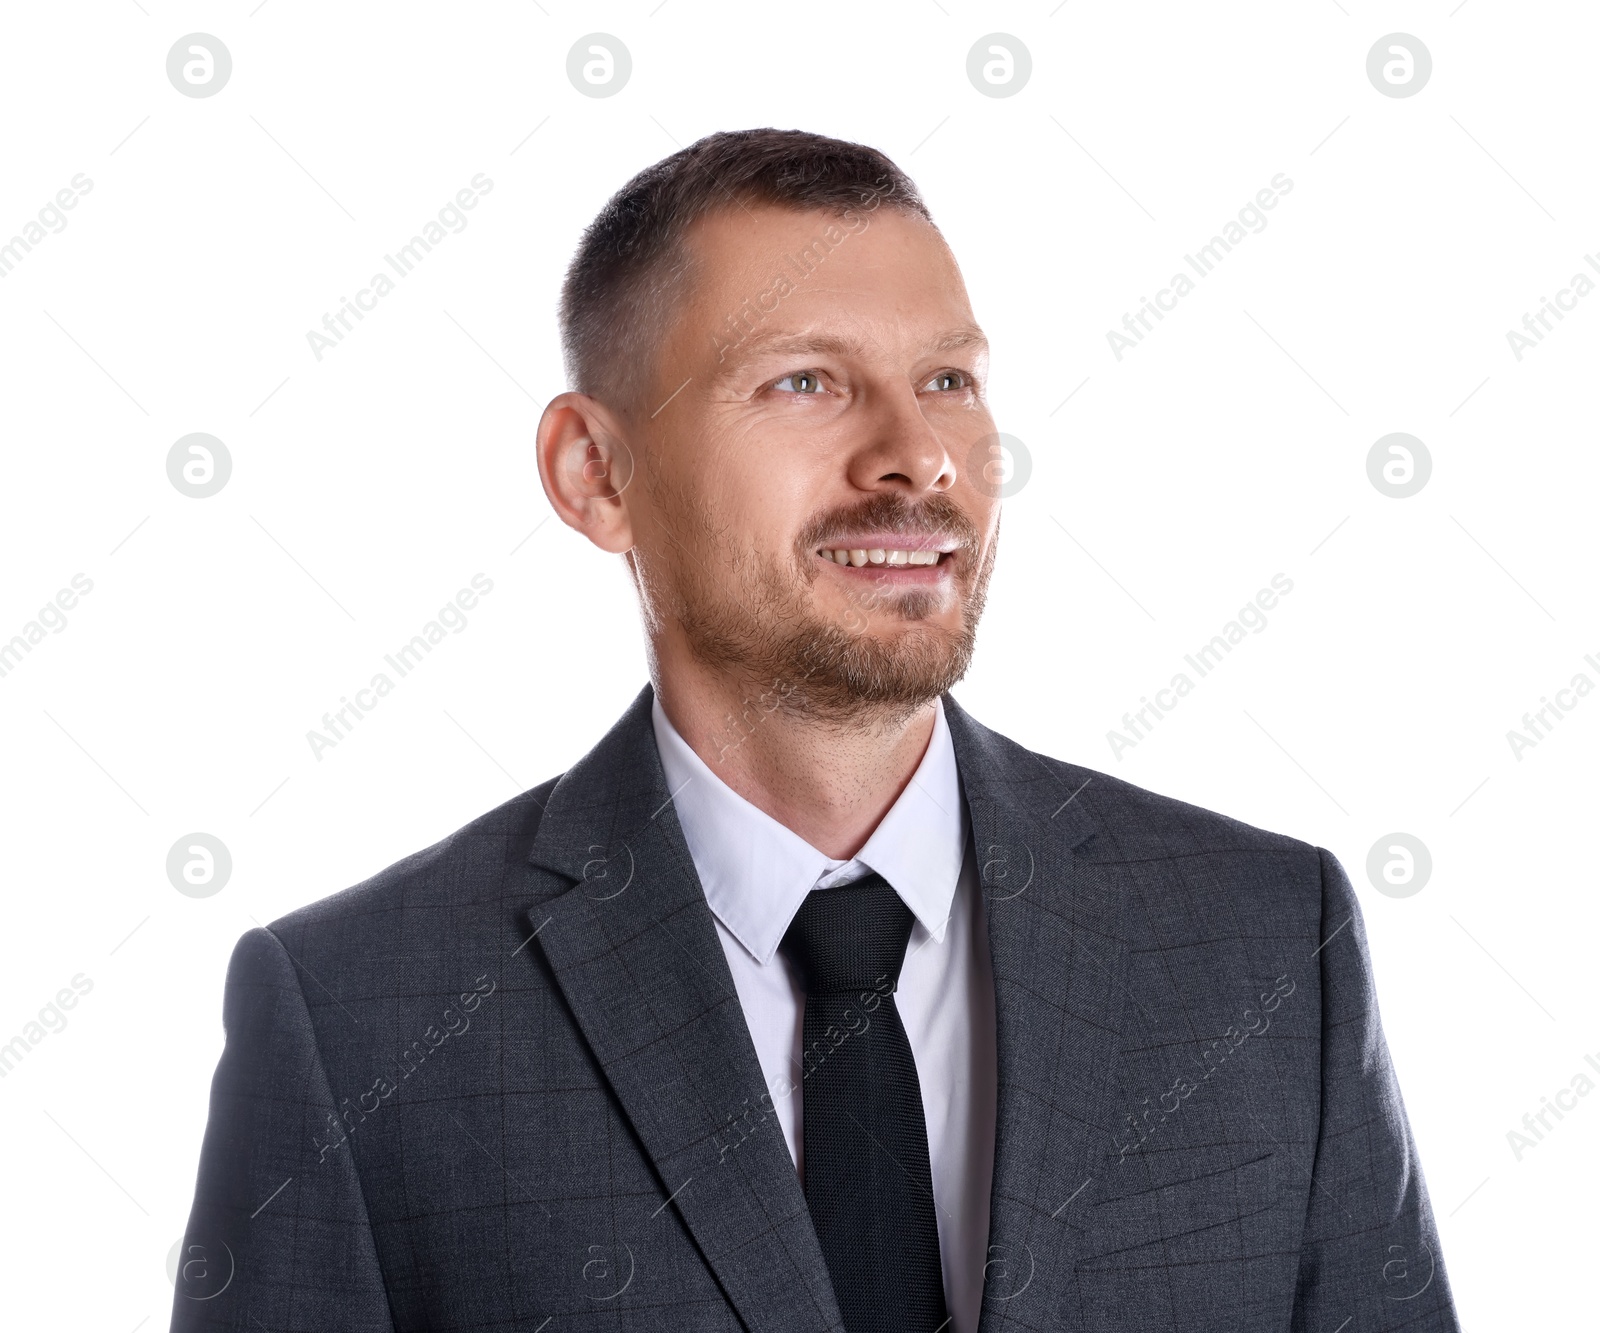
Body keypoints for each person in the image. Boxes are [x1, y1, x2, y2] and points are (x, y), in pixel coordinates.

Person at [171, 128, 1459, 1333]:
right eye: (806, 382)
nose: (917, 457)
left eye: (949, 380)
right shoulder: (357, 1017)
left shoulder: (1271, 942)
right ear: (595, 474)